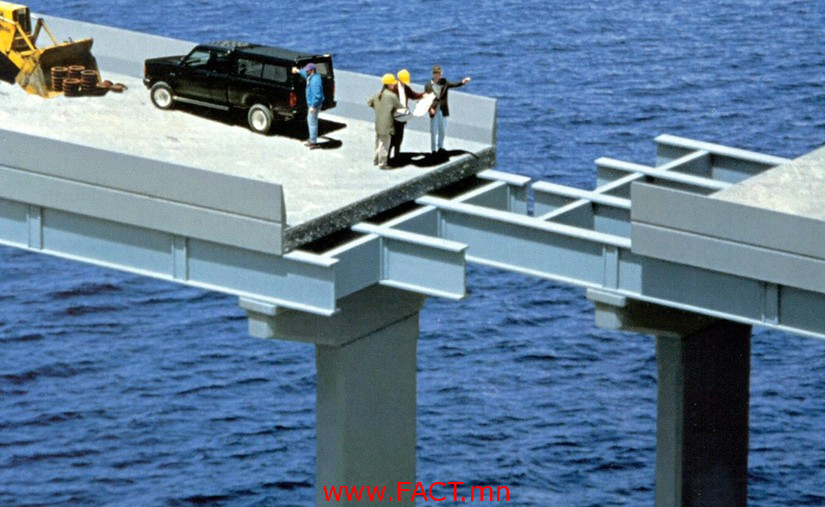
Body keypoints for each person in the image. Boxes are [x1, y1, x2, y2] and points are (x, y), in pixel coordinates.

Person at [424, 64, 471, 153]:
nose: (437, 75)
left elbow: (454, 85)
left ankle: (440, 147)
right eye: (435, 73)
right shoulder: (428, 85)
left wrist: (463, 82)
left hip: (443, 109)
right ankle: (433, 149)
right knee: (433, 131)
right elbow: (426, 99)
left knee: (442, 129)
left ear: (441, 74)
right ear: (433, 74)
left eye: (438, 73)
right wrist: (430, 109)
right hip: (434, 110)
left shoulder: (445, 82)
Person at [367, 74, 403, 169]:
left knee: (379, 142)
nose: (394, 85)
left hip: (378, 122)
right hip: (387, 124)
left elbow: (369, 102)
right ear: (389, 84)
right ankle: (382, 163)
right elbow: (400, 107)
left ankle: (376, 160)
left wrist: (378, 108)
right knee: (385, 144)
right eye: (393, 84)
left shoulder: (378, 94)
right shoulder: (392, 96)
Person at [389, 68, 425, 161]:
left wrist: (424, 95)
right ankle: (387, 157)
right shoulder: (393, 88)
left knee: (399, 137)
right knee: (392, 137)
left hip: (402, 116)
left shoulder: (406, 88)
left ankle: (397, 156)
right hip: (394, 116)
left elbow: (414, 95)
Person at [291, 63, 325, 149]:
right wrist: (297, 70)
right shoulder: (313, 76)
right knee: (311, 120)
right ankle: (312, 140)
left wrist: (313, 106)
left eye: (308, 70)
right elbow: (305, 74)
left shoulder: (315, 81)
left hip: (314, 104)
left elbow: (317, 95)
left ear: (312, 70)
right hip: (313, 104)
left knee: (312, 122)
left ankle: (313, 142)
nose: (306, 71)